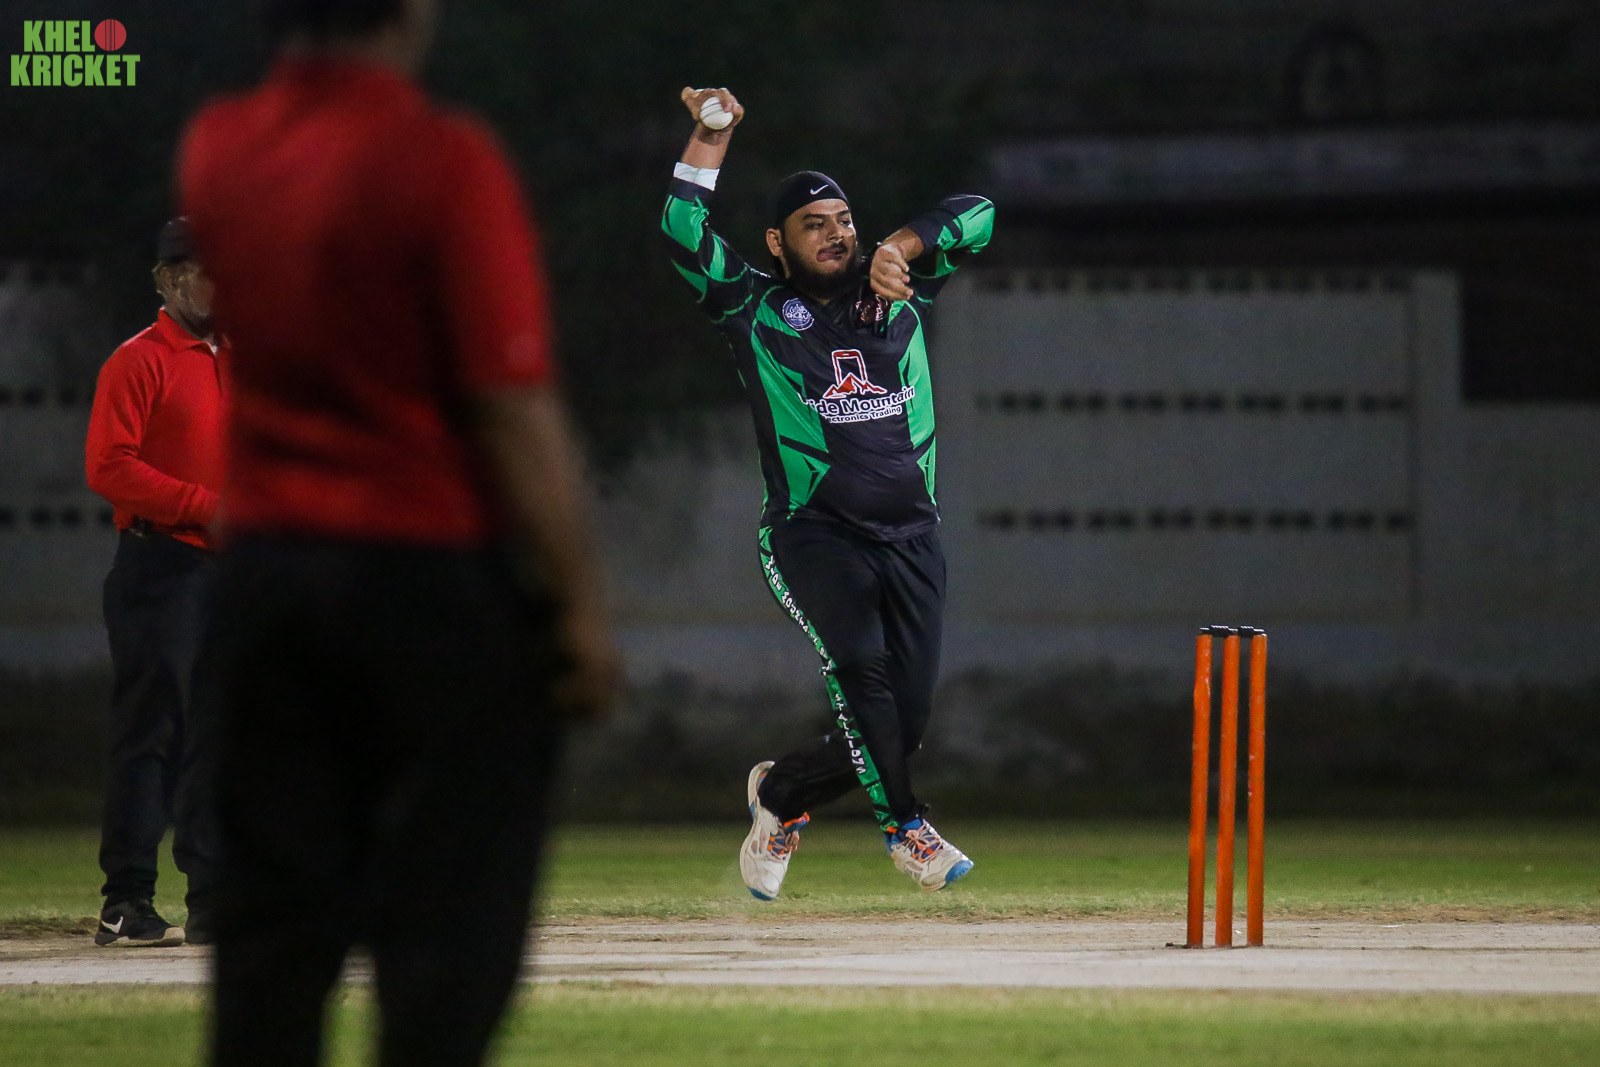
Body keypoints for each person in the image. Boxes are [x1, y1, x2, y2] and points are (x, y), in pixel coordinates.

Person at [177, 1, 616, 1064]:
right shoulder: (443, 158)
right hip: (422, 578)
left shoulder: (217, 147)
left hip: (265, 578)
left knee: (269, 940)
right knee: (449, 935)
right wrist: (579, 602)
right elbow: (508, 403)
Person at [662, 87, 994, 899]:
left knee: (900, 723)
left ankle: (780, 793)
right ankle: (906, 829)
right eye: (815, 224)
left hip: (914, 537)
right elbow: (680, 230)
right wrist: (710, 136)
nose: (837, 233)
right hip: (813, 532)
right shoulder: (753, 306)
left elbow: (980, 212)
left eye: (844, 220)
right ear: (778, 243)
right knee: (861, 673)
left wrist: (904, 245)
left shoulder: (900, 288)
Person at [84, 217, 227, 947]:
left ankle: (213, 898)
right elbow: (108, 466)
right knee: (155, 729)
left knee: (219, 731)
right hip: (161, 564)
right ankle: (127, 898)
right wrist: (206, 506)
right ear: (170, 279)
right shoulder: (138, 360)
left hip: (229, 571)